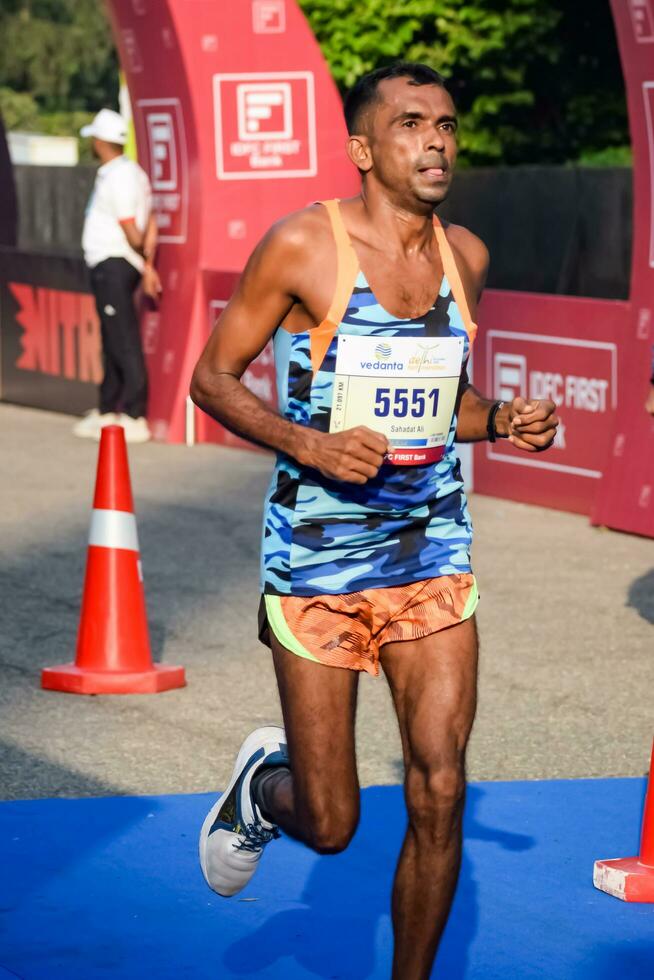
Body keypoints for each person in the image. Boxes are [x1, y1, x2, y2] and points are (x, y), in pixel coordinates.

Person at [191, 63, 559, 978]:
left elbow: (449, 404)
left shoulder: (464, 257)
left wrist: (501, 419)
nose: (436, 140)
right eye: (410, 124)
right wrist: (309, 445)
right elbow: (212, 380)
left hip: (432, 554)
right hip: (317, 562)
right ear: (363, 148)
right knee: (333, 822)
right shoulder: (303, 248)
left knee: (440, 788)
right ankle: (261, 791)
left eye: (446, 124)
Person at [73, 108, 160, 443]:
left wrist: (145, 261)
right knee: (112, 339)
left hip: (114, 263)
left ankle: (135, 416)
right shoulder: (123, 172)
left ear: (100, 142)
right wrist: (147, 261)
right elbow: (148, 221)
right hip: (111, 263)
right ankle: (108, 410)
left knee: (122, 339)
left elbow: (133, 229)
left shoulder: (121, 176)